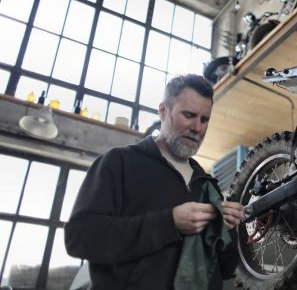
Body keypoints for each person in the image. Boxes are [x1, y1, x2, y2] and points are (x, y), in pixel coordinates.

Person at [65, 74, 244, 290]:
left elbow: (226, 268)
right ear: (163, 111)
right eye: (189, 115)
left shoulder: (208, 185)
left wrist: (227, 230)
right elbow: (79, 237)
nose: (197, 127)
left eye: (204, 119)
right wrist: (169, 223)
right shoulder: (119, 162)